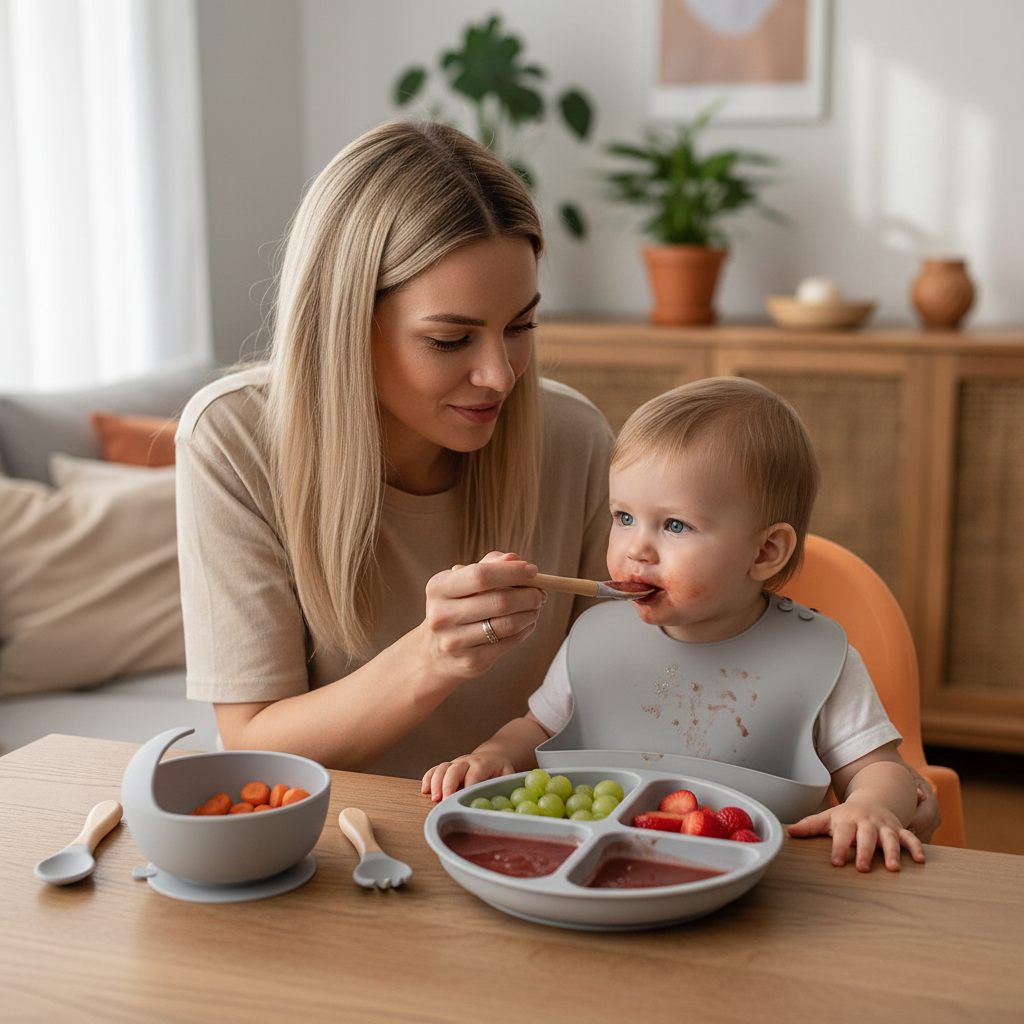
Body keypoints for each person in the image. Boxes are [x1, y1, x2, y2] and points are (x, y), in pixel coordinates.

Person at [175, 118, 614, 778]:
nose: (501, 374)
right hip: (333, 845)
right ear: (347, 322)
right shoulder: (232, 440)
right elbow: (255, 752)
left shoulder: (575, 439)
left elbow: (631, 693)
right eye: (450, 340)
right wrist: (432, 659)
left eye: (520, 326)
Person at [423, 377, 934, 869]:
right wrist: (492, 755)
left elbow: (882, 770)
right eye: (623, 517)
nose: (635, 549)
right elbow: (536, 728)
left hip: (757, 889)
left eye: (674, 525)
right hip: (596, 870)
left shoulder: (821, 659)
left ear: (765, 551)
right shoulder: (596, 636)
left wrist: (874, 806)